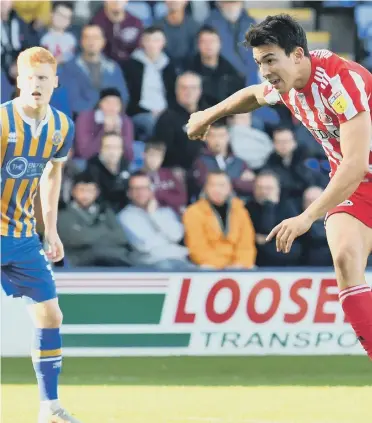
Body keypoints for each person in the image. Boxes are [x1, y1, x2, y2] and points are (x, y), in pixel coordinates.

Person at [187, 14, 372, 359]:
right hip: (359, 189)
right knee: (346, 258)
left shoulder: (341, 80)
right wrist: (207, 115)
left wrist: (307, 217)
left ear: (298, 54)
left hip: (353, 172)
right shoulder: (285, 86)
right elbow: (254, 95)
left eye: (271, 60)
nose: (266, 70)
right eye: (259, 62)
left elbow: (355, 163)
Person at [0, 47, 82, 421]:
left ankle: (48, 407)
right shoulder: (2, 122)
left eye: (43, 78)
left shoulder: (62, 126)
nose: (36, 84)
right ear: (19, 81)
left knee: (50, 315)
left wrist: (50, 230)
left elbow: (52, 175)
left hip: (21, 238)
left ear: (55, 83)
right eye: (30, 78)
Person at [184, 170, 256, 270]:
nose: (217, 189)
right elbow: (197, 247)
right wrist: (223, 267)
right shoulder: (193, 212)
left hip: (237, 266)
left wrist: (240, 263)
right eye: (212, 185)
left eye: (221, 185)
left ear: (229, 188)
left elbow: (246, 244)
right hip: (209, 266)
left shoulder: (240, 210)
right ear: (205, 188)